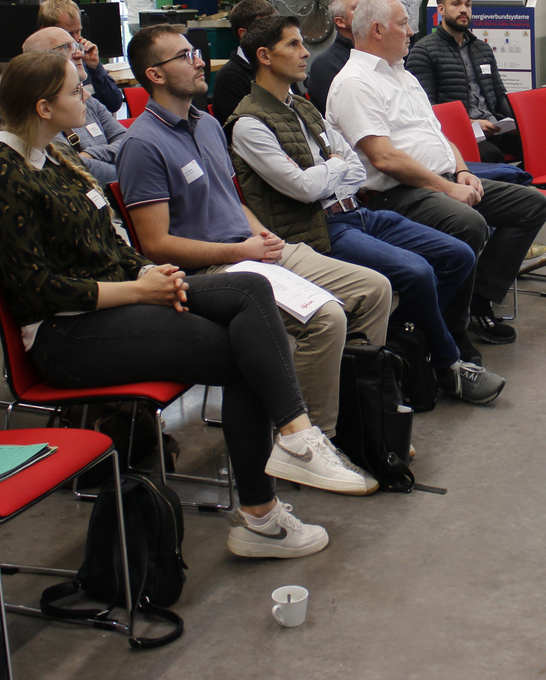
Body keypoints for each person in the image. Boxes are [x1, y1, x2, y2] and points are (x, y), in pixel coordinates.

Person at [0, 52, 367, 559]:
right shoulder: (0, 173)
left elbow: (110, 248)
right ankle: (265, 507)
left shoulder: (56, 159)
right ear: (44, 107)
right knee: (244, 353)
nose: (87, 98)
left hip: (120, 301)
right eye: (75, 92)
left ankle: (294, 443)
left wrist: (145, 273)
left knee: (250, 290)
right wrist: (141, 288)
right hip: (66, 334)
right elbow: (37, 289)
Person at [119, 24, 392, 463]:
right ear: (155, 74)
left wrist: (257, 231)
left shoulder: (206, 124)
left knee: (374, 289)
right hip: (213, 271)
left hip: (254, 248)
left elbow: (229, 199)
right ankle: (308, 443)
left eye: (195, 52)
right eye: (185, 56)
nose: (198, 61)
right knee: (327, 319)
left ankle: (355, 414)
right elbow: (155, 245)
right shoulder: (142, 145)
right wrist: (240, 251)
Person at [229, 14, 505, 402]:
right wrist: (334, 164)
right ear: (264, 56)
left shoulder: (303, 108)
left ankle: (406, 344)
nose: (306, 52)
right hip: (318, 229)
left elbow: (355, 167)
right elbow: (305, 189)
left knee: (458, 254)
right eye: (293, 44)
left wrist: (332, 166)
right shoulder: (249, 124)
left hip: (356, 211)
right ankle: (448, 365)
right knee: (418, 270)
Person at [325, 0, 546, 349]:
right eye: (404, 24)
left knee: (531, 204)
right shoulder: (354, 83)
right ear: (379, 30)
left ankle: (479, 299)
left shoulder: (403, 75)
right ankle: (451, 331)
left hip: (441, 180)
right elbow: (383, 159)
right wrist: (448, 190)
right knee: (469, 222)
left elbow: (438, 136)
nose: (412, 31)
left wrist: (461, 170)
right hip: (393, 193)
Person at [405, 0, 522, 163]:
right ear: (441, 10)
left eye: (468, 4)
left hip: (493, 126)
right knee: (492, 155)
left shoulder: (482, 49)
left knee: (538, 141)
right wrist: (470, 123)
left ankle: (530, 189)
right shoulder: (423, 51)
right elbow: (426, 108)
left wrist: (519, 121)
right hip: (458, 132)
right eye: (456, 4)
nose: (463, 9)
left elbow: (499, 95)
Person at [22, 26, 127, 186]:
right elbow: (76, 169)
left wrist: (89, 154)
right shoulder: (42, 111)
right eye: (67, 48)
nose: (79, 54)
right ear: (41, 60)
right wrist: (131, 170)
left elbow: (128, 142)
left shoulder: (89, 101)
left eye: (76, 46)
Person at [37, 0, 124, 112]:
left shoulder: (83, 61)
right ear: (45, 30)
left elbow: (114, 104)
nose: (76, 40)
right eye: (68, 33)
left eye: (78, 32)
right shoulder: (36, 71)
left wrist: (95, 67)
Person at [207, 0, 277, 127]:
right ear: (244, 34)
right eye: (267, 29)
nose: (277, 35)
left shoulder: (278, 67)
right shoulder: (230, 78)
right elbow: (240, 129)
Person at [306, 0, 361, 113]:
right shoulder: (325, 65)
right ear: (340, 22)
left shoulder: (385, 56)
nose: (368, 11)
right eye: (358, 8)